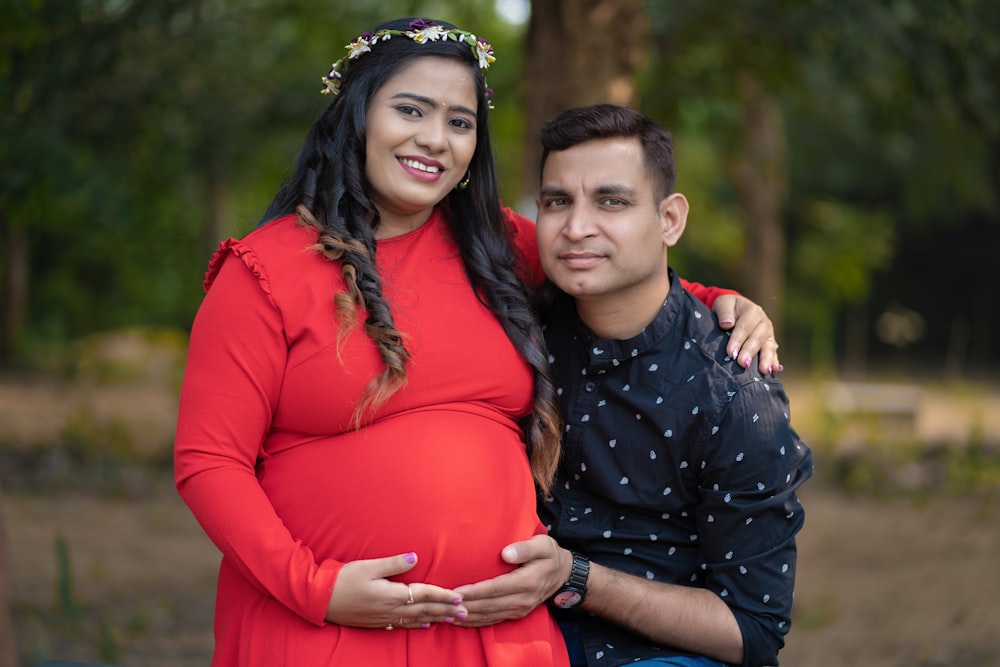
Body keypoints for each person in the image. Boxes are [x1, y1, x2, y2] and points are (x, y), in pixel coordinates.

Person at [173, 16, 779, 666]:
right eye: (411, 109)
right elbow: (209, 460)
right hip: (327, 626)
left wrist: (718, 302)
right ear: (356, 116)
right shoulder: (263, 270)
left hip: (497, 633)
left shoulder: (493, 243)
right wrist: (316, 588)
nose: (435, 139)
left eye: (460, 122)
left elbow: (611, 263)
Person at [454, 104, 813, 667]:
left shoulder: (736, 395)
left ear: (669, 219)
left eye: (611, 201)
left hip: (662, 655)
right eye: (557, 202)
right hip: (505, 637)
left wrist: (576, 579)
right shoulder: (517, 328)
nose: (576, 228)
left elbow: (752, 629)